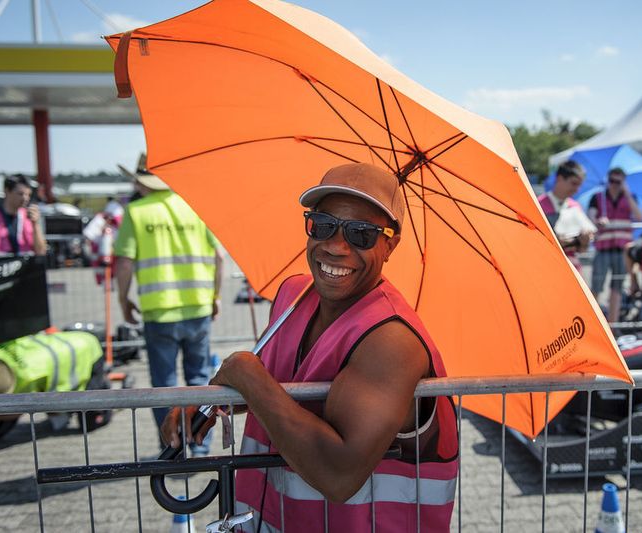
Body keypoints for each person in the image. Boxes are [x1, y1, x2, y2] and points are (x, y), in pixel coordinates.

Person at [162, 163, 459, 532]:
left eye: (361, 234)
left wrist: (247, 376)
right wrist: (213, 400)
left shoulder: (391, 341)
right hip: (266, 519)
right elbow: (283, 389)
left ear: (390, 244)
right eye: (322, 225)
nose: (335, 246)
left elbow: (339, 475)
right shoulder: (292, 295)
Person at [114, 167, 223, 456]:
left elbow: (124, 263)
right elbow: (218, 257)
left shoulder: (137, 212)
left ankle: (172, 445)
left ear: (140, 182)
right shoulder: (194, 207)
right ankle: (200, 444)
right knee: (199, 379)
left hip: (158, 311)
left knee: (164, 386)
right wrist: (215, 296)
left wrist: (124, 301)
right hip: (197, 307)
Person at [588, 167, 642, 322]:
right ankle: (595, 322)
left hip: (622, 249)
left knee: (617, 287)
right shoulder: (598, 197)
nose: (614, 185)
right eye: (612, 181)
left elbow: (639, 216)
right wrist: (597, 221)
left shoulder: (630, 197)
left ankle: (613, 324)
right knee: (597, 285)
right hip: (603, 248)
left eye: (618, 181)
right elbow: (590, 216)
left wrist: (627, 193)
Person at [538, 160, 596, 272]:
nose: (576, 189)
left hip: (572, 268)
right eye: (574, 183)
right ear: (559, 178)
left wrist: (585, 241)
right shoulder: (539, 205)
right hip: (545, 267)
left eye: (579, 185)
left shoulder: (575, 206)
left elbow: (583, 249)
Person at [0, 174, 47, 258]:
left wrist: (35, 224)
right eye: (20, 194)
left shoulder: (30, 217)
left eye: (28, 195)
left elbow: (41, 252)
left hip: (24, 269)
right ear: (7, 191)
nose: (25, 198)